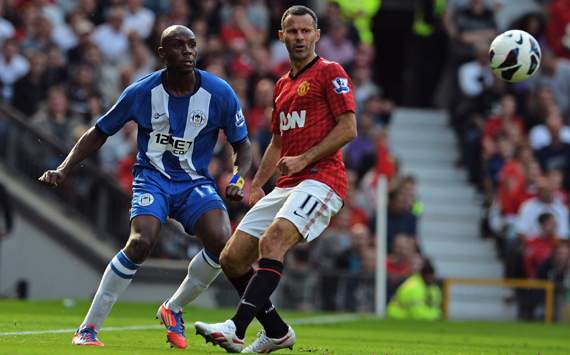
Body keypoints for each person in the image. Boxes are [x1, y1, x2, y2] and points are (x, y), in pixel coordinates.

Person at [38, 25, 252, 349]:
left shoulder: (219, 93)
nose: (187, 51)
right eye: (178, 46)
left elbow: (243, 146)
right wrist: (64, 168)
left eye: (192, 45)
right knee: (141, 242)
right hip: (152, 177)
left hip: (194, 181)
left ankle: (173, 308)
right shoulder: (142, 92)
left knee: (223, 242)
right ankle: (88, 328)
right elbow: (99, 131)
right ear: (162, 54)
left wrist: (237, 177)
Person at [193, 5, 357, 353]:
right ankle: (277, 331)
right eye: (292, 32)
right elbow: (278, 142)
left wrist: (305, 158)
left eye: (305, 31)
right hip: (288, 184)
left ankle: (236, 327)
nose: (299, 37)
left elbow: (349, 128)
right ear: (281, 36)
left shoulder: (330, 72)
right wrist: (255, 182)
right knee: (232, 257)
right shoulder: (282, 84)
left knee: (273, 241)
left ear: (317, 35)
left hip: (323, 179)